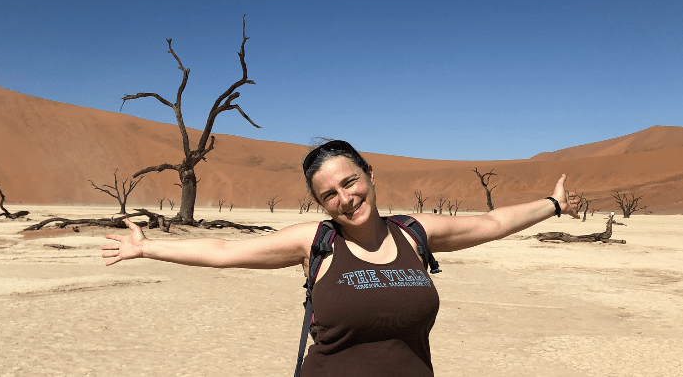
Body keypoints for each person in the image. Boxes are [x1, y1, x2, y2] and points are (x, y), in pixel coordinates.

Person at [103, 139, 579, 376]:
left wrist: (552, 205)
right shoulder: (317, 242)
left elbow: (491, 224)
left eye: (350, 181)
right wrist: (147, 247)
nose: (345, 198)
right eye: (329, 193)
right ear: (320, 203)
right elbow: (225, 250)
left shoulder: (414, 233)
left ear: (369, 174)